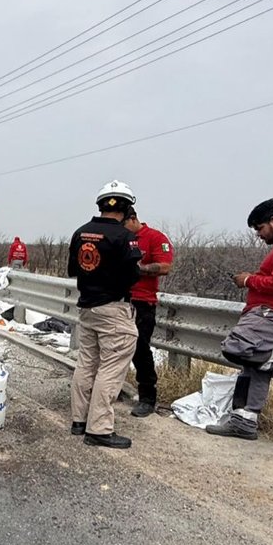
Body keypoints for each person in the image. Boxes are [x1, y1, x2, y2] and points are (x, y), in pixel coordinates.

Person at [206, 198, 273, 441]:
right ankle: (244, 421)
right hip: (269, 313)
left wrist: (248, 280)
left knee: (235, 348)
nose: (258, 235)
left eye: (260, 228)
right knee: (254, 365)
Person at [68, 180, 144, 449]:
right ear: (126, 208)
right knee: (111, 369)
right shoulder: (125, 237)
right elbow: (134, 273)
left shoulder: (80, 233)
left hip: (87, 307)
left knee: (87, 363)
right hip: (113, 309)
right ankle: (99, 429)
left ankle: (79, 420)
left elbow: (73, 270)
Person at [123, 209, 174, 418]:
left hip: (143, 303)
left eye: (123, 223)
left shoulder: (155, 237)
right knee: (113, 348)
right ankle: (114, 388)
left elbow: (165, 266)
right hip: (119, 299)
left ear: (133, 219)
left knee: (140, 348)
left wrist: (138, 269)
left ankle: (147, 397)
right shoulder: (121, 237)